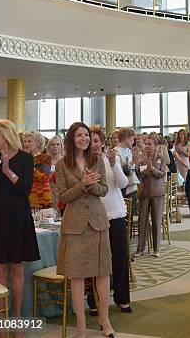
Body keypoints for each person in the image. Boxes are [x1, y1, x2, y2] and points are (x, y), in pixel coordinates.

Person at [55, 122, 114, 338]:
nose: (84, 139)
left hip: (98, 222)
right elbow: (63, 197)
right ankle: (81, 325)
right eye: (79, 135)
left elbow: (104, 190)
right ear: (72, 139)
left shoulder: (96, 160)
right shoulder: (62, 165)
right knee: (77, 276)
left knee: (102, 272)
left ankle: (104, 319)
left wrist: (90, 185)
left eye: (86, 135)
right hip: (75, 224)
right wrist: (83, 184)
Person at [0, 119, 40, 324]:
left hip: (19, 217)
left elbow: (25, 190)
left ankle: (17, 316)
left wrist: (8, 171)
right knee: (0, 270)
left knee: (17, 268)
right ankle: (2, 319)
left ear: (4, 137)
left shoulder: (25, 158)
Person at [86, 125, 132, 315]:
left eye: (96, 141)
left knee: (120, 257)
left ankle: (122, 299)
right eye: (90, 141)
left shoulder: (111, 159)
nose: (94, 144)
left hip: (116, 214)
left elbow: (123, 183)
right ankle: (95, 301)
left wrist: (114, 165)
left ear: (102, 142)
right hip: (94, 217)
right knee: (95, 261)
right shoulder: (82, 163)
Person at [136, 135, 167, 257]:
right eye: (146, 144)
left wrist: (152, 169)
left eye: (150, 144)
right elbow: (138, 174)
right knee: (142, 221)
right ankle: (140, 249)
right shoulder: (141, 158)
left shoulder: (161, 158)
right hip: (144, 193)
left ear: (155, 146)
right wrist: (142, 170)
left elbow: (162, 174)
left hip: (157, 194)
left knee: (156, 221)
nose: (147, 146)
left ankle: (156, 248)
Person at [23, 130, 53, 209]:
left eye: (29, 141)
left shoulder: (45, 158)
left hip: (41, 196)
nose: (26, 144)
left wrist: (29, 167)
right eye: (25, 141)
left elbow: (44, 176)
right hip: (25, 195)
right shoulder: (23, 158)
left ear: (38, 143)